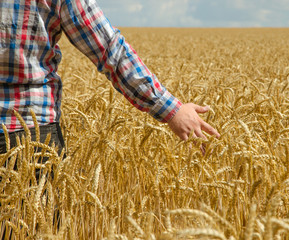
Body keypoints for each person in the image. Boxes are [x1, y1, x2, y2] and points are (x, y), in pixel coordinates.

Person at [0, 0, 220, 154]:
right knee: (36, 221)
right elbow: (109, 50)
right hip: (31, 134)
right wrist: (171, 109)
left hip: (31, 133)